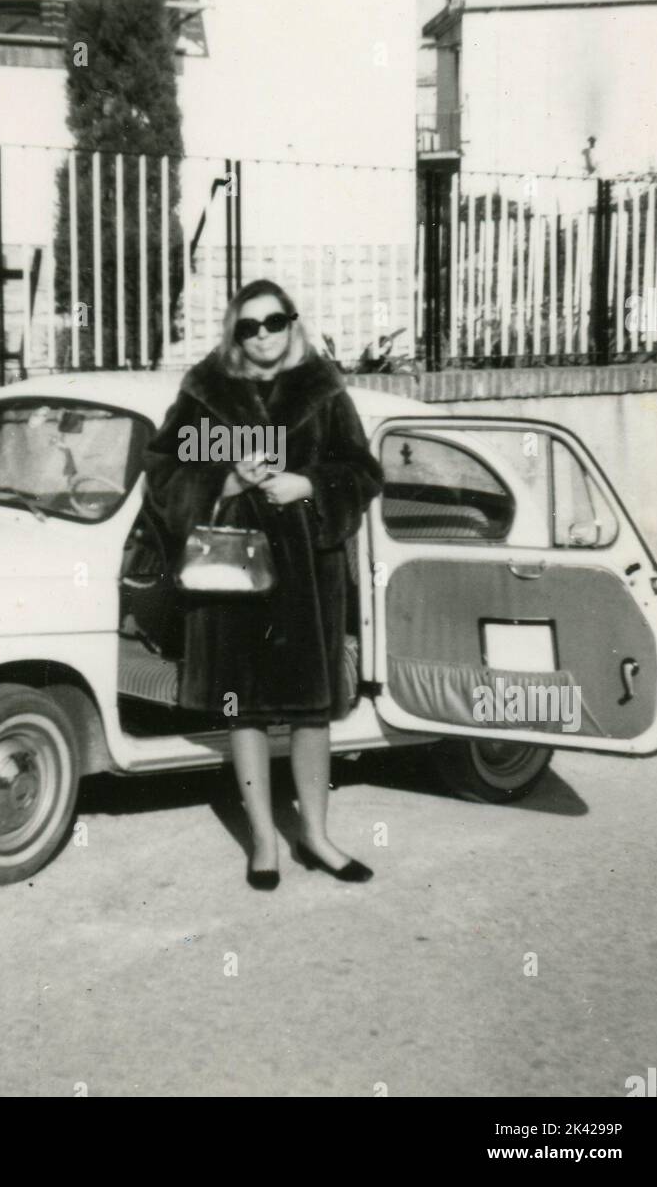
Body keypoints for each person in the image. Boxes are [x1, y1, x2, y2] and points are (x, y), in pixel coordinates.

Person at [144, 279, 383, 889]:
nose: (263, 336)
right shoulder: (207, 390)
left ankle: (317, 838)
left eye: (273, 322)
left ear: (291, 323)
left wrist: (310, 485)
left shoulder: (323, 390)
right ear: (234, 333)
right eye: (248, 327)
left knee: (311, 713)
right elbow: (164, 468)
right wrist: (225, 481)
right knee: (243, 711)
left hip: (307, 578)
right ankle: (263, 843)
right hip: (232, 577)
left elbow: (362, 470)